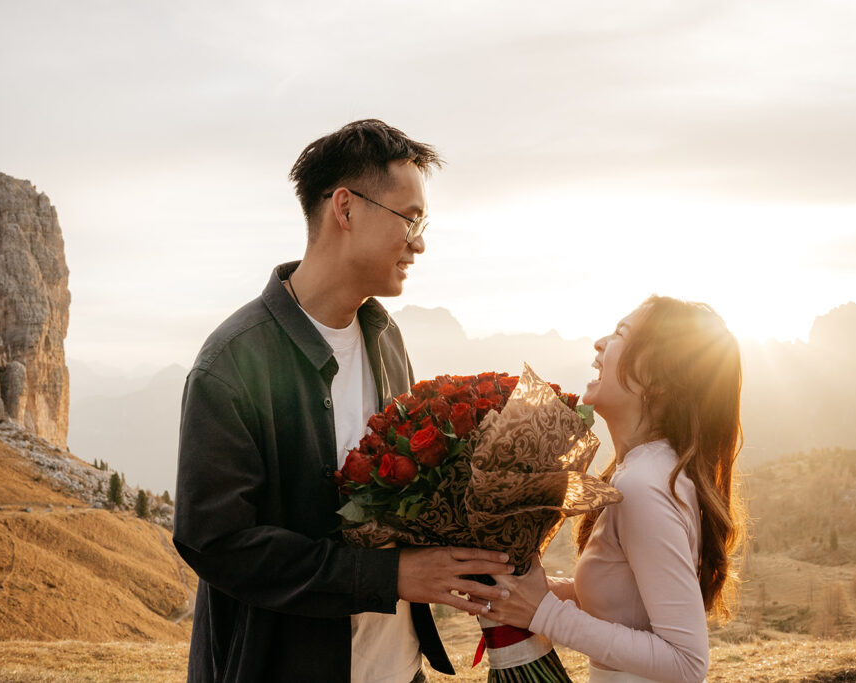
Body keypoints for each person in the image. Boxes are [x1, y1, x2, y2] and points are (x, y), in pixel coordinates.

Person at [173, 119, 513, 683]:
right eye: (411, 218)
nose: (420, 241)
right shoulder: (233, 362)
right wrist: (388, 577)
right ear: (346, 209)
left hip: (398, 669)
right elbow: (215, 542)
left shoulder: (387, 340)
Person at [485, 296, 745, 682]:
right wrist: (519, 586)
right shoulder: (651, 470)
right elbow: (628, 604)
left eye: (621, 334)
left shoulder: (643, 485)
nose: (600, 343)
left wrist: (543, 613)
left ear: (657, 381)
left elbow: (687, 663)